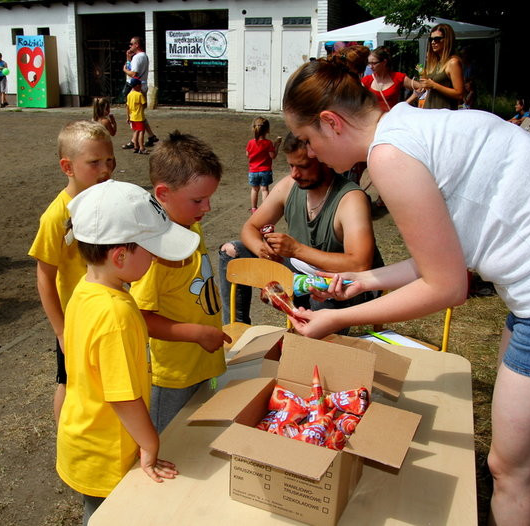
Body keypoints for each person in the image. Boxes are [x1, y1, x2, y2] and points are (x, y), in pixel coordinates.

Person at [282, 55, 530, 526]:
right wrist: (365, 281)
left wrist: (337, 318)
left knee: (511, 471)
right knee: (516, 461)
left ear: (331, 122)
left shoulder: (389, 156)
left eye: (307, 140)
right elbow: (448, 254)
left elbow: (447, 287)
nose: (310, 154)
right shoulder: (418, 126)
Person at [58, 179, 195, 524]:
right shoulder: (116, 313)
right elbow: (121, 397)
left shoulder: (85, 289)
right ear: (120, 256)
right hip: (107, 452)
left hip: (87, 439)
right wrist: (150, 445)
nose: (157, 258)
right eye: (151, 250)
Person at [218, 132, 382, 328]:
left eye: (303, 166)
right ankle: (237, 330)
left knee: (319, 297)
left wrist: (296, 250)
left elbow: (359, 265)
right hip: (301, 270)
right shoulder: (289, 185)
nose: (295, 174)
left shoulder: (351, 199)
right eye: (291, 166)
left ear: (326, 161)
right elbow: (250, 227)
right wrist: (261, 249)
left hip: (344, 283)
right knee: (231, 251)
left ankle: (315, 347)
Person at [129, 131, 230, 432]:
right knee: (166, 437)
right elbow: (140, 317)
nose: (207, 208)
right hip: (173, 374)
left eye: (210, 198)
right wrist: (196, 333)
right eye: (198, 199)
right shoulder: (154, 251)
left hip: (201, 361)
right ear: (163, 194)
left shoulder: (189, 224)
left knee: (194, 434)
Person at [28, 120, 116, 424]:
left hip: (107, 313)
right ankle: (66, 437)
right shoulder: (56, 216)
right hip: (75, 320)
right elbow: (44, 275)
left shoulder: (107, 202)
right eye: (94, 162)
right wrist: (61, 330)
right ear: (68, 166)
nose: (105, 169)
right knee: (69, 381)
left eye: (110, 160)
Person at [120, 36, 158, 149]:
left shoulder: (138, 57)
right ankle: (150, 136)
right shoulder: (143, 56)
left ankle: (134, 140)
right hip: (141, 86)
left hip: (135, 88)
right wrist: (128, 58)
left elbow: (133, 73)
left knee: (134, 114)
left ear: (136, 45)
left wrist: (124, 70)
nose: (130, 46)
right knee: (138, 114)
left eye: (131, 44)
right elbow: (132, 67)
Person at [418, 23, 464, 110]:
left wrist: (434, 85)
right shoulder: (435, 63)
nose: (433, 42)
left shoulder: (453, 62)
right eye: (431, 39)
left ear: (447, 40)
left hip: (445, 114)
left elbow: (460, 94)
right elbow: (429, 88)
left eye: (437, 39)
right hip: (430, 111)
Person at [246, 116, 282, 212]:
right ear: (267, 130)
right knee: (264, 189)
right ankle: (265, 209)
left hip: (253, 170)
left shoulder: (250, 143)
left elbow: (247, 154)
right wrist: (276, 145)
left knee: (254, 189)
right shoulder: (268, 143)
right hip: (265, 170)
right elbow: (272, 156)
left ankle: (254, 208)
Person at [361, 46, 414, 111]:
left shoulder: (398, 77)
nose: (370, 67)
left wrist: (404, 105)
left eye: (374, 63)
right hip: (375, 119)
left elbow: (421, 88)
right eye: (369, 63)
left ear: (384, 62)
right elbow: (357, 100)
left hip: (392, 117)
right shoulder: (366, 80)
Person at [125, 78, 147, 154]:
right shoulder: (139, 95)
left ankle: (136, 146)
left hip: (132, 116)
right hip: (139, 116)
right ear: (137, 86)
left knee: (136, 131)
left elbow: (127, 107)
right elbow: (144, 104)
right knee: (141, 132)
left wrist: (128, 117)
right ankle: (142, 147)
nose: (141, 86)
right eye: (140, 84)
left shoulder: (129, 95)